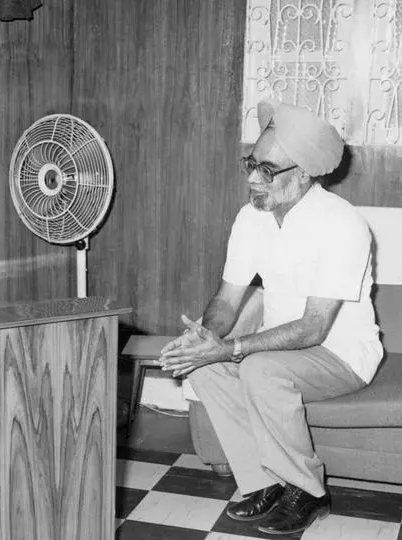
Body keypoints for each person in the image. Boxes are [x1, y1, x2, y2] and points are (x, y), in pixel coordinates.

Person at [158, 99, 383, 535]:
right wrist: (205, 340)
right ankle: (264, 483)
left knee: (260, 369)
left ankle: (310, 493)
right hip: (286, 351)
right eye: (251, 163)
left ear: (302, 174)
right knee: (205, 370)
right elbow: (226, 301)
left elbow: (314, 327)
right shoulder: (251, 218)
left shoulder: (343, 225)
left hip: (342, 355)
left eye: (266, 170)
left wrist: (235, 347)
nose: (251, 179)